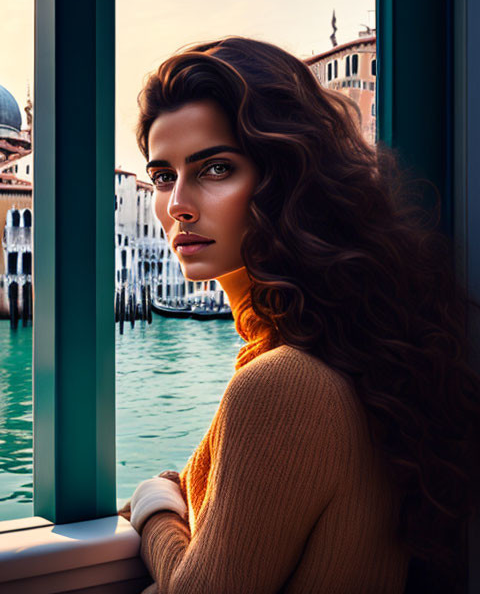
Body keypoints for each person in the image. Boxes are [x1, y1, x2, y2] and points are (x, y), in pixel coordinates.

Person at [118, 37, 480, 593]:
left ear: (283, 177)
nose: (177, 205)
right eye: (164, 175)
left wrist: (154, 513)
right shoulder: (333, 350)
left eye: (215, 168)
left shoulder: (284, 381)